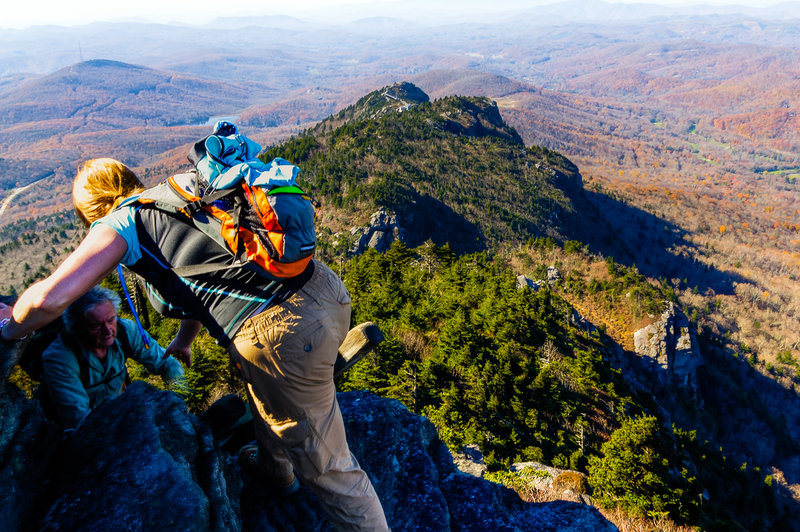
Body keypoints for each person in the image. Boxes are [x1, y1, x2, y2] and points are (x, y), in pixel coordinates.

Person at [0, 151, 388, 530]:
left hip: (284, 334)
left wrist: (8, 329)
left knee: (331, 470)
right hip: (326, 291)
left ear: (91, 211)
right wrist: (185, 340)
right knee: (265, 390)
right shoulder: (183, 187)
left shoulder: (120, 224)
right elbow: (209, 272)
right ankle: (276, 470)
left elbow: (49, 299)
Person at [41, 285, 185, 429]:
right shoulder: (61, 358)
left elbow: (168, 364)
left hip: (121, 416)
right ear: (77, 328)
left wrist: (179, 403)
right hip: (80, 434)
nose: (108, 330)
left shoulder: (125, 331)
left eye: (111, 320)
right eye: (96, 325)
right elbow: (79, 421)